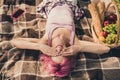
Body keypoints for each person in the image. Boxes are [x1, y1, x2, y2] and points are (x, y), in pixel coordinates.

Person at [0, 0, 110, 78]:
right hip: (70, 4)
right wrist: (79, 47)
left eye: (55, 54)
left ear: (49, 52)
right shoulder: (73, 42)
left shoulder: (45, 41)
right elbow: (105, 49)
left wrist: (38, 46)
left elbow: (14, 42)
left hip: (51, 4)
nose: (59, 50)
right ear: (69, 53)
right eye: (62, 54)